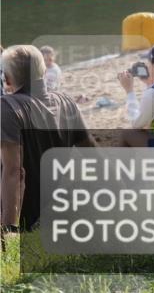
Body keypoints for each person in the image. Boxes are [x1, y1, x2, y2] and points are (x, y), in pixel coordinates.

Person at [1, 45, 95, 232]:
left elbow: (14, 172)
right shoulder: (66, 101)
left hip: (25, 214)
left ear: (7, 79)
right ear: (43, 71)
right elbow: (91, 151)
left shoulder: (7, 107)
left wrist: (8, 229)